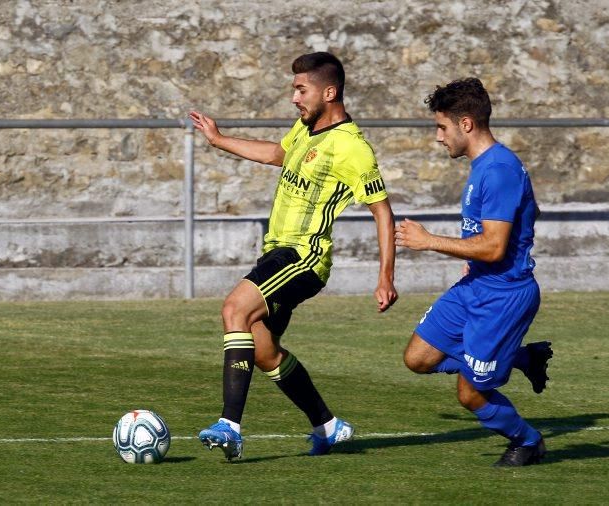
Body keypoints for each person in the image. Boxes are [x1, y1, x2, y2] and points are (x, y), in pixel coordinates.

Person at [189, 51, 398, 460]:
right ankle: (329, 425)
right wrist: (219, 140)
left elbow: (383, 211)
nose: (294, 98)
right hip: (277, 254)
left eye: (301, 90)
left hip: (303, 257)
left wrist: (385, 276)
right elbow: (277, 154)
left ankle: (229, 425)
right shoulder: (305, 130)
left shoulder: (352, 147)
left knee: (234, 309)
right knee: (264, 351)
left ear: (330, 91)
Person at [395, 78, 553, 467]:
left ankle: (527, 441)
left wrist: (429, 240)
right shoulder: (484, 166)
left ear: (466, 124)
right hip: (475, 285)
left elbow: (495, 245)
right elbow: (496, 237)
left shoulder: (499, 170)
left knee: (470, 395)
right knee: (417, 358)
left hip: (503, 296)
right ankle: (517, 359)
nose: (438, 137)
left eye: (442, 127)